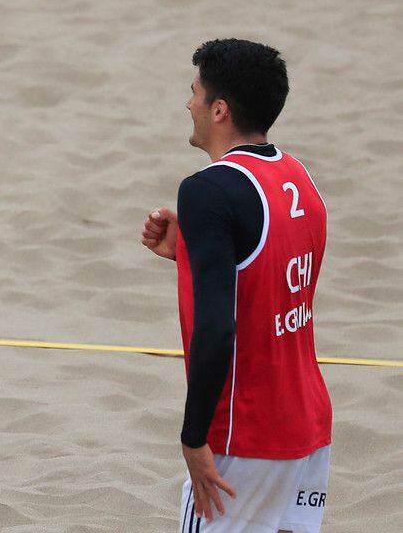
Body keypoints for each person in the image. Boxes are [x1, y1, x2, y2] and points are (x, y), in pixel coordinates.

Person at [141, 39, 332, 533]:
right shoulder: (298, 178)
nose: (189, 104)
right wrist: (193, 251)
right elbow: (268, 281)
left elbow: (218, 329)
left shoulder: (207, 190)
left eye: (195, 93)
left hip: (244, 434)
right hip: (308, 427)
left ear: (220, 110)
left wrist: (193, 435)